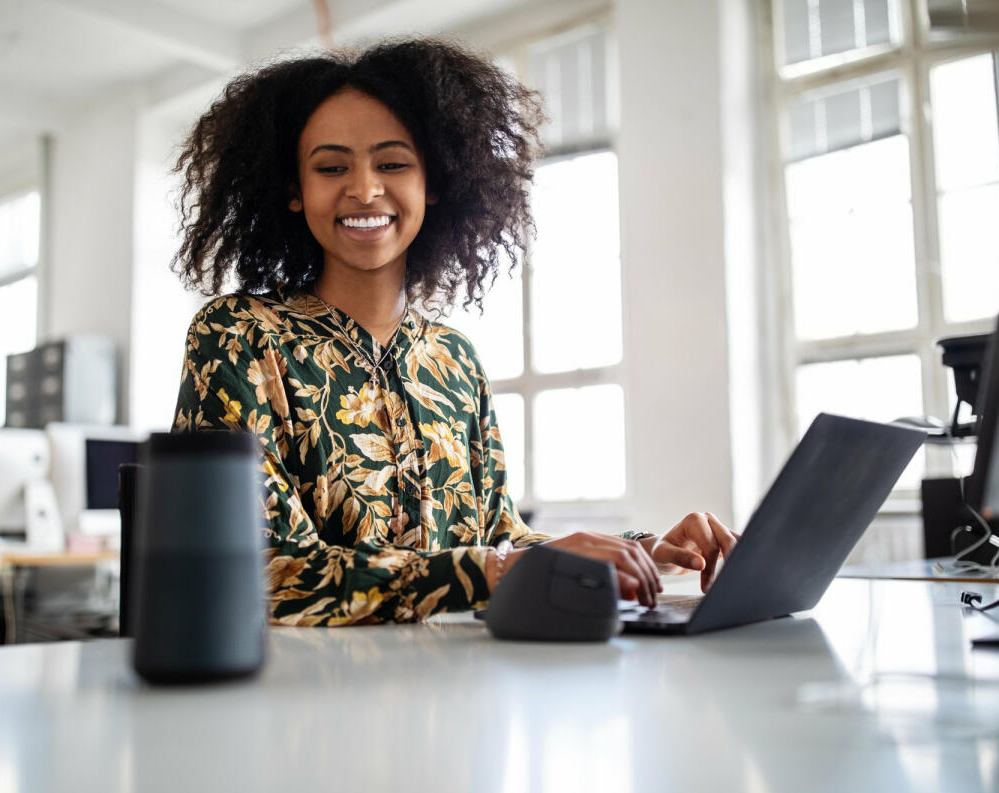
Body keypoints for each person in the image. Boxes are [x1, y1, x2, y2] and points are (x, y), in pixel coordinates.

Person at [171, 38, 738, 626]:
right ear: (292, 190)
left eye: (392, 163)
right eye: (331, 166)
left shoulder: (453, 361)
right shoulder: (238, 336)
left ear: (434, 183)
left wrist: (639, 551)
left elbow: (501, 540)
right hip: (302, 697)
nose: (364, 189)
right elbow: (255, 570)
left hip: (455, 692)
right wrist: (488, 572)